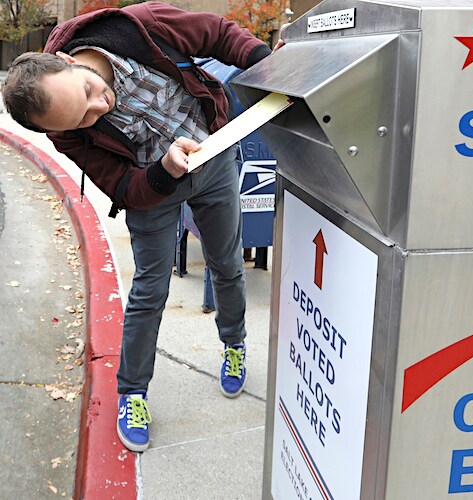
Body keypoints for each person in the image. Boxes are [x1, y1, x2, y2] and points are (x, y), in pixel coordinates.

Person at [2, 1, 278, 452]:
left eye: (89, 91)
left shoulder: (140, 27)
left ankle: (234, 343)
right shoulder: (66, 131)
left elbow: (218, 34)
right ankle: (133, 393)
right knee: (150, 289)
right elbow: (124, 188)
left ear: (70, 61)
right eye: (86, 118)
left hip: (217, 158)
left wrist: (269, 64)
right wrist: (164, 172)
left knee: (227, 263)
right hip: (156, 189)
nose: (99, 106)